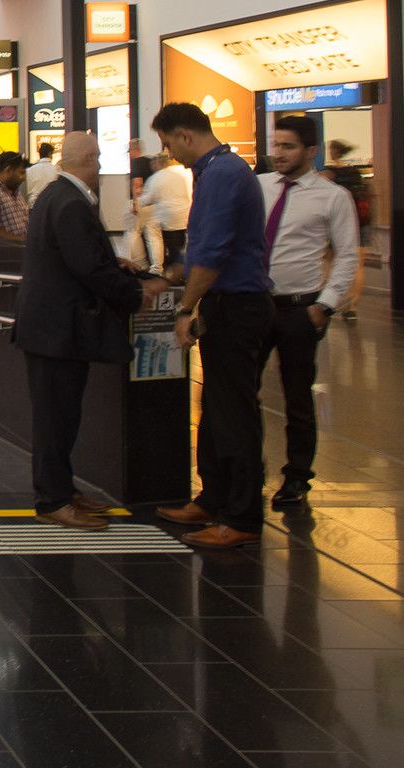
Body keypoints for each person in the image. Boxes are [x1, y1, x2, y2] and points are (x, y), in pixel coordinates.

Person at [12, 131, 162, 530]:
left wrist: (117, 265)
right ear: (88, 160)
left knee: (60, 415)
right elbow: (86, 266)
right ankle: (53, 501)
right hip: (57, 330)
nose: (99, 167)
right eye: (96, 159)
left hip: (51, 328)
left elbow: (79, 256)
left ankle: (63, 490)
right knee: (55, 419)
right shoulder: (72, 203)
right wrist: (132, 294)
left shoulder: (56, 197)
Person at [151, 102, 275, 550]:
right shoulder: (215, 172)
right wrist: (164, 278)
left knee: (235, 412)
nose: (169, 154)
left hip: (238, 307)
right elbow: (200, 247)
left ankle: (241, 516)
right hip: (229, 304)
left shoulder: (222, 174)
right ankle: (214, 497)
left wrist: (186, 310)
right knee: (217, 407)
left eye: (168, 144)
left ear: (185, 135)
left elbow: (213, 255)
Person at [260, 116, 359, 510]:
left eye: (288, 147)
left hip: (300, 310)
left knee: (297, 396)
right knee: (239, 391)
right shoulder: (259, 187)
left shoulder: (332, 196)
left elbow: (348, 254)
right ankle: (248, 468)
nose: (278, 153)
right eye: (276, 145)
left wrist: (325, 305)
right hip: (255, 306)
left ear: (311, 151)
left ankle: (297, 476)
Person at [325, 140, 370, 321]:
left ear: (334, 152)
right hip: (360, 221)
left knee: (329, 261)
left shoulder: (329, 173)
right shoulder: (356, 172)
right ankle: (352, 306)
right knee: (358, 264)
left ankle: (329, 302)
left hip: (336, 221)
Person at [142, 149, 194, 274]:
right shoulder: (186, 172)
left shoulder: (156, 178)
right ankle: (183, 269)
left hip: (167, 219)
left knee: (151, 229)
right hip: (186, 215)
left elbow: (147, 199)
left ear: (158, 163)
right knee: (181, 245)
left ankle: (158, 267)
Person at [23, 142, 59, 207]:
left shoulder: (29, 170)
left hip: (33, 206)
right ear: (50, 154)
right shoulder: (57, 170)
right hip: (51, 206)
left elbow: (27, 190)